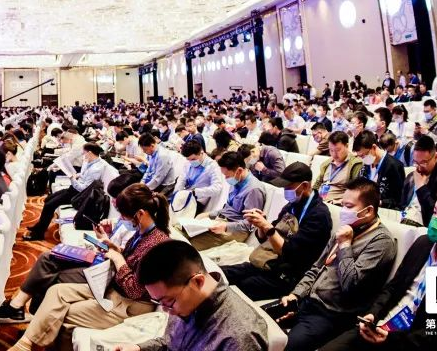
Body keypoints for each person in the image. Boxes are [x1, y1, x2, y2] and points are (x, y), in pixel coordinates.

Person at [2, 184, 170, 350]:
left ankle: (24, 345)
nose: (123, 220)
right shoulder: (144, 233)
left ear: (140, 214)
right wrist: (114, 248)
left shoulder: (158, 245)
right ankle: (25, 344)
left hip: (129, 305)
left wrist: (118, 258)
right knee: (56, 291)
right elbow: (133, 260)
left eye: (125, 217)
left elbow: (134, 290)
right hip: (114, 290)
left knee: (61, 312)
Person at [320, 183, 437, 351]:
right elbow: (393, 287)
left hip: (409, 342)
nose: (435, 220)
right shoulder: (423, 243)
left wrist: (390, 339)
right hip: (381, 324)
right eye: (435, 212)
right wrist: (372, 315)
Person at [275, 179, 397, 350]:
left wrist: (345, 245)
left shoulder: (381, 242)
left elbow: (350, 284)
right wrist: (296, 295)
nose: (343, 211)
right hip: (307, 301)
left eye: (349, 206)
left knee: (285, 346)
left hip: (331, 314)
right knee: (257, 323)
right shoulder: (347, 228)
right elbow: (317, 268)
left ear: (368, 211)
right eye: (342, 204)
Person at [122, 240, 268, 351]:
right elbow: (170, 343)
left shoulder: (240, 337)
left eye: (168, 301)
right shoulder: (185, 304)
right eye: (160, 302)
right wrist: (139, 348)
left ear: (197, 281)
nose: (166, 310)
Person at [222, 162, 333, 301]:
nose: (285, 190)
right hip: (269, 262)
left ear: (304, 185)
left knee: (240, 287)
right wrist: (260, 224)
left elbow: (291, 253)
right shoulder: (291, 206)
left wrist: (268, 228)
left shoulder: (318, 215)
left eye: (288, 187)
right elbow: (265, 239)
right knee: (222, 274)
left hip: (288, 275)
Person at [186, 147, 267, 251]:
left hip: (235, 231)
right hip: (222, 221)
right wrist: (210, 214)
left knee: (189, 244)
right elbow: (228, 208)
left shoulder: (254, 190)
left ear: (239, 171)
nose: (225, 179)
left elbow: (250, 224)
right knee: (182, 229)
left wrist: (226, 226)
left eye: (227, 176)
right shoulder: (236, 181)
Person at [26, 142, 108, 240]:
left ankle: (38, 234)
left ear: (90, 153)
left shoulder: (96, 168)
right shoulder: (91, 162)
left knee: (49, 205)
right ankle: (39, 226)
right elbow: (84, 175)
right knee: (48, 199)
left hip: (79, 195)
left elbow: (83, 189)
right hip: (74, 189)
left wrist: (71, 178)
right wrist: (76, 175)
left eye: (84, 153)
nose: (83, 155)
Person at [400, 135, 437, 226]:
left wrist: (421, 187)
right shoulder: (411, 175)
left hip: (423, 225)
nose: (419, 167)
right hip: (404, 218)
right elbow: (402, 205)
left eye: (424, 162)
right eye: (416, 162)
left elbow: (435, 213)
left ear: (436, 157)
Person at [172, 139, 226, 216]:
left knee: (180, 217)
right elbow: (182, 179)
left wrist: (196, 192)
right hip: (185, 194)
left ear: (201, 152)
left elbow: (217, 188)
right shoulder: (188, 162)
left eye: (193, 159)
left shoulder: (213, 167)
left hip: (198, 200)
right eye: (188, 159)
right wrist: (176, 193)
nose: (191, 161)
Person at [353, 131, 405, 210]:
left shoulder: (394, 166)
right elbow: (357, 186)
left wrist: (378, 202)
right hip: (363, 206)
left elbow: (398, 200)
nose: (362, 159)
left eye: (363, 155)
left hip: (383, 210)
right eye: (359, 156)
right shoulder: (366, 164)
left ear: (373, 147)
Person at [312, 131, 362, 204]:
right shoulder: (327, 164)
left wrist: (337, 202)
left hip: (336, 204)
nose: (334, 154)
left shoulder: (355, 164)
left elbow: (355, 191)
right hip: (318, 202)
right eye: (331, 150)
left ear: (347, 146)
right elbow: (317, 185)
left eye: (338, 150)